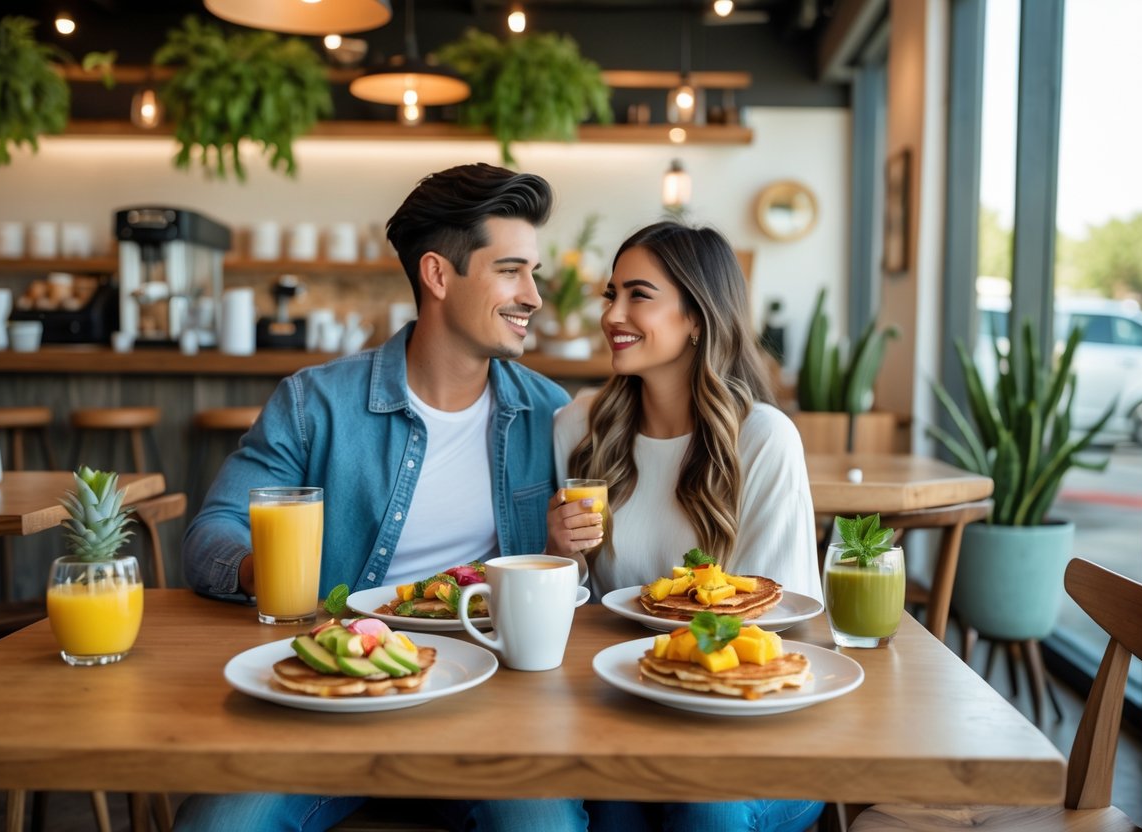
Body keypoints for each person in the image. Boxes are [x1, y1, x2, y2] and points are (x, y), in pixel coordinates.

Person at [177, 163, 584, 832]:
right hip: (337, 687)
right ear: (437, 275)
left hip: (488, 701)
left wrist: (563, 552)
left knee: (545, 827)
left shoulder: (551, 415)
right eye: (511, 271)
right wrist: (268, 571)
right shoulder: (316, 403)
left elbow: (573, 579)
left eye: (532, 273)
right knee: (218, 826)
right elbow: (214, 530)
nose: (533, 296)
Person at [547, 220, 824, 832]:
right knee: (611, 806)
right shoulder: (578, 429)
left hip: (749, 726)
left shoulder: (763, 439)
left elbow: (779, 629)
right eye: (610, 295)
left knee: (706, 809)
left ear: (697, 317)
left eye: (638, 295)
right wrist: (558, 555)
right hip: (623, 713)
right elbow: (572, 612)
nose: (613, 313)